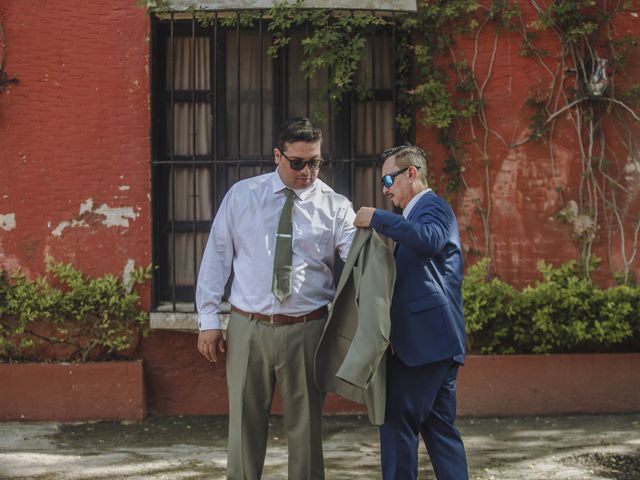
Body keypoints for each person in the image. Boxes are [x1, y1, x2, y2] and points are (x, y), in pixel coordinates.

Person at [196, 117, 356, 480]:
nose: (307, 171)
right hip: (247, 327)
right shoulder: (242, 195)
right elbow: (216, 259)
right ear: (277, 156)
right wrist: (208, 320)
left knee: (306, 431)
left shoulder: (335, 206)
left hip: (307, 329)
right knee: (243, 427)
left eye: (314, 161)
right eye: (297, 162)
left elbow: (359, 260)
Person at [353, 144, 469, 480]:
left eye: (389, 179)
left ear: (412, 173)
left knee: (397, 426)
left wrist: (377, 217)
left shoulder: (432, 207)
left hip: (425, 346)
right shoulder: (413, 215)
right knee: (440, 432)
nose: (386, 188)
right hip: (437, 344)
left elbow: (430, 239)